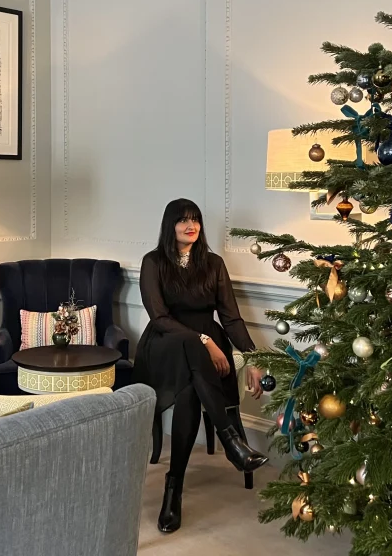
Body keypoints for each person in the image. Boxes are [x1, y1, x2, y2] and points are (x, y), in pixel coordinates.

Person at [133, 198, 269, 534]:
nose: (190, 225)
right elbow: (160, 317)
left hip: (205, 347)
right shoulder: (153, 262)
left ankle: (173, 487)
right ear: (170, 225)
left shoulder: (213, 263)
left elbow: (230, 317)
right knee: (193, 351)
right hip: (165, 342)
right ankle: (232, 442)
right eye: (182, 220)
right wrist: (205, 341)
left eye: (194, 219)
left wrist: (253, 357)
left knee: (192, 391)